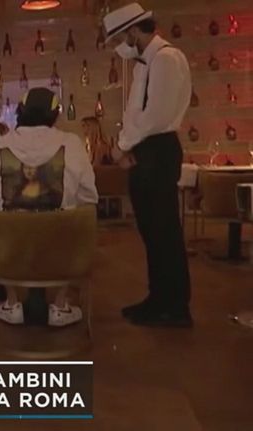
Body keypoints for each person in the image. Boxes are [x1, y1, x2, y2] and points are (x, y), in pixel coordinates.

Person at [0, 87, 98, 327]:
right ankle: (60, 304)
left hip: (8, 253)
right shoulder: (72, 144)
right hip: (60, 252)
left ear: (20, 111)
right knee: (77, 218)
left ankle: (11, 302)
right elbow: (89, 196)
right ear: (55, 115)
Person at [104, 3, 193, 327]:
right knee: (152, 232)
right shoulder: (147, 61)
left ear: (132, 31)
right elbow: (136, 113)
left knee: (164, 232)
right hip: (147, 150)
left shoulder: (166, 59)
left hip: (158, 150)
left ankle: (175, 307)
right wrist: (127, 145)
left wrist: (121, 148)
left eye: (120, 38)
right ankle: (158, 299)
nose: (120, 46)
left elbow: (154, 116)